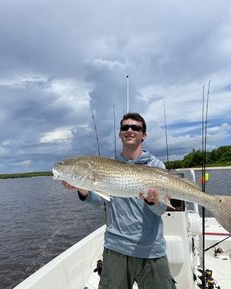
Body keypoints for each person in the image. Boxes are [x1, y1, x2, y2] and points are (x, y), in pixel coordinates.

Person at [62, 112, 176, 289]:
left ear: (143, 135)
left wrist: (152, 201)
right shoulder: (108, 165)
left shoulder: (156, 166)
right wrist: (82, 189)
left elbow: (161, 210)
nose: (129, 130)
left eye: (136, 128)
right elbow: (96, 202)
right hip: (116, 248)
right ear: (120, 134)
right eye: (125, 127)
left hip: (151, 249)